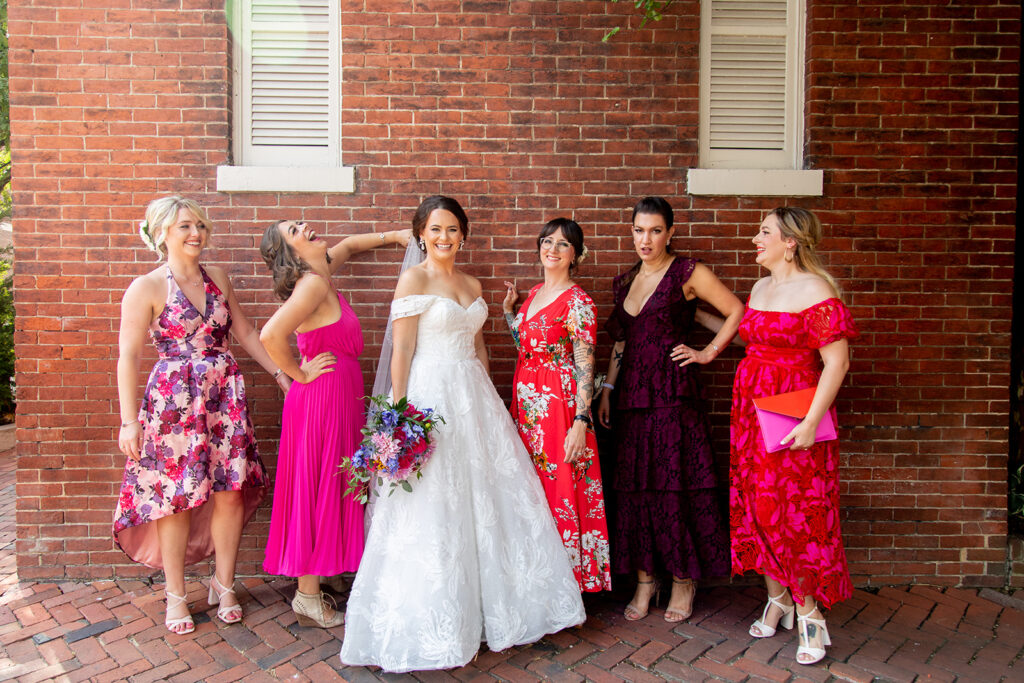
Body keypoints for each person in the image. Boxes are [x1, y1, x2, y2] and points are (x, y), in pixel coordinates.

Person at [341, 195, 586, 673]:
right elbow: (402, 350)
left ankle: (498, 611)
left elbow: (479, 350)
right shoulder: (414, 280)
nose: (444, 238)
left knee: (490, 503)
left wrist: (492, 403)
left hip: (473, 399)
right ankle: (435, 622)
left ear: (463, 234)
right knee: (434, 506)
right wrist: (397, 415)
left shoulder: (473, 284)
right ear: (421, 234)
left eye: (452, 229)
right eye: (435, 230)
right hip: (430, 399)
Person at [114, 196, 283, 634]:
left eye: (200, 226)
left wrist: (281, 373)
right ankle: (175, 595)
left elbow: (243, 331)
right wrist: (128, 421)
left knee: (229, 491)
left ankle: (223, 583)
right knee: (177, 498)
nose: (196, 234)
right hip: (173, 406)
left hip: (224, 397)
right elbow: (127, 356)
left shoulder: (219, 278)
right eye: (185, 226)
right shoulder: (147, 287)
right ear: (161, 233)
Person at [597, 196, 743, 623]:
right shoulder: (624, 283)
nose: (647, 239)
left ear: (670, 232)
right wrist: (607, 389)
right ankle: (646, 581)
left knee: (675, 487)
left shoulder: (687, 271)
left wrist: (707, 353)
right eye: (639, 230)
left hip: (675, 397)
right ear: (632, 232)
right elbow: (621, 342)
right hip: (632, 401)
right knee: (637, 491)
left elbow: (736, 311)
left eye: (656, 230)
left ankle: (683, 579)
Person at [258, 220, 411, 628]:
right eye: (294, 229)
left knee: (335, 483)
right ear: (287, 250)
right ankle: (307, 596)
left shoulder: (322, 268)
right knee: (319, 484)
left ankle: (323, 571)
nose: (305, 226)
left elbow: (349, 245)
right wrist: (297, 374)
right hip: (319, 399)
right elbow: (271, 334)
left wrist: (395, 238)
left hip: (337, 399)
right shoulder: (310, 284)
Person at [730, 207, 857, 665]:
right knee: (756, 505)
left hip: (793, 415)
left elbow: (836, 363)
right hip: (750, 413)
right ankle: (778, 597)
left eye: (764, 232)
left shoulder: (816, 291)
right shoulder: (761, 286)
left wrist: (809, 423)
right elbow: (755, 341)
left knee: (796, 513)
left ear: (791, 242)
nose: (754, 239)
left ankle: (810, 612)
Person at [502, 218, 611, 593]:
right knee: (533, 489)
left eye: (563, 244)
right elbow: (528, 346)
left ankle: (567, 588)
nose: (552, 249)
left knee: (560, 488)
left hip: (559, 406)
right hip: (528, 405)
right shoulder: (532, 294)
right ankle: (539, 585)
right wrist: (508, 313)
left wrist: (581, 420)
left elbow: (586, 363)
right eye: (547, 241)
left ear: (576, 255)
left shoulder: (579, 302)